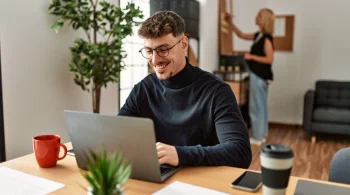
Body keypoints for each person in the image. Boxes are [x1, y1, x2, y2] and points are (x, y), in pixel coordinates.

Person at [119, 11, 251, 168]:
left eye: (163, 49)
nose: (155, 60)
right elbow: (119, 134)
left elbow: (240, 152)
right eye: (149, 51)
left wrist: (180, 154)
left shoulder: (217, 91)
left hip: (199, 182)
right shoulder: (143, 89)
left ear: (183, 45)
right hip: (156, 177)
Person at [227, 9, 275, 145]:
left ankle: (257, 137)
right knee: (262, 107)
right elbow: (241, 35)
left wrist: (251, 56)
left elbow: (269, 59)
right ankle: (263, 135)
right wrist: (231, 22)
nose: (256, 17)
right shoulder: (258, 35)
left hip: (259, 77)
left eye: (258, 15)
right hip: (260, 77)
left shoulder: (266, 38)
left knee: (256, 108)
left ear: (264, 19)